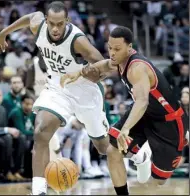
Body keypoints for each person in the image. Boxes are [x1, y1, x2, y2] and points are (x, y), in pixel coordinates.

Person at [0, 2, 110, 195]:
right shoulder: (39, 26)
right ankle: (38, 190)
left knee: (103, 148)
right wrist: (4, 32)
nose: (55, 29)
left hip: (85, 91)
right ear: (46, 21)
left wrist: (93, 73)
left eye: (60, 24)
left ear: (67, 21)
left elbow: (103, 65)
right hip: (58, 87)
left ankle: (139, 153)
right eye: (52, 24)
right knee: (41, 132)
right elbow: (30, 17)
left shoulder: (78, 40)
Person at [61, 26, 189, 195]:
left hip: (168, 121)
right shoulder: (119, 61)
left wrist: (126, 129)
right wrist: (78, 72)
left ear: (129, 47)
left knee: (160, 180)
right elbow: (105, 65)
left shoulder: (137, 68)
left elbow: (142, 101)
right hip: (143, 114)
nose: (112, 53)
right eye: (110, 48)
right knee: (112, 151)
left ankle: (142, 155)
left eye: (117, 49)